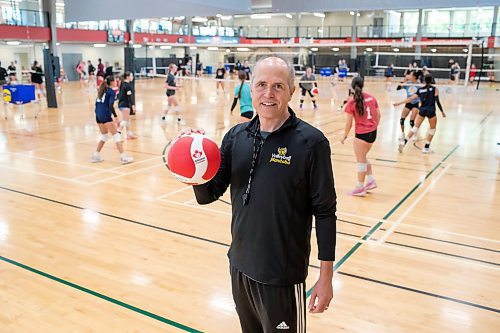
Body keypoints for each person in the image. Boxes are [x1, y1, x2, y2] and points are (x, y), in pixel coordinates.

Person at [186, 57, 336, 333]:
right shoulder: (235, 137)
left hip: (282, 276)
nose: (269, 94)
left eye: (278, 86)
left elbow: (325, 213)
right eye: (262, 85)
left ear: (291, 90)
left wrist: (326, 277)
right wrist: (196, 163)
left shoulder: (311, 143)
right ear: (251, 89)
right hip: (240, 266)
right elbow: (208, 194)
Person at [341, 76, 381, 196]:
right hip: (373, 133)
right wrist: (373, 127)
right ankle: (371, 181)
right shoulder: (371, 98)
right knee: (363, 157)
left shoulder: (352, 102)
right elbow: (378, 115)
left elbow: (349, 123)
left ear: (352, 87)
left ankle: (360, 187)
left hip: (362, 134)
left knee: (361, 161)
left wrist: (344, 136)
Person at [394, 74, 446, 154]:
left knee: (415, 127)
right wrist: (442, 111)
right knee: (432, 129)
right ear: (432, 80)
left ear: (424, 81)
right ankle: (426, 148)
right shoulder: (435, 89)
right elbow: (437, 101)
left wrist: (398, 103)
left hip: (422, 110)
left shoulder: (420, 90)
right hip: (431, 111)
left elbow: (410, 99)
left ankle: (404, 142)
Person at [91, 75, 133, 164]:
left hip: (98, 115)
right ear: (111, 82)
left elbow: (97, 105)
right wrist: (116, 117)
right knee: (116, 135)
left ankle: (95, 155)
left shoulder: (101, 91)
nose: (116, 82)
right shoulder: (111, 92)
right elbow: (110, 105)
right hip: (105, 115)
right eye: (115, 80)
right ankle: (123, 157)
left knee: (105, 136)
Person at [396, 71, 420, 142]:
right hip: (408, 103)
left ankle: (414, 134)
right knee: (402, 119)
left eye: (411, 75)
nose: (409, 76)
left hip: (416, 103)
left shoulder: (419, 85)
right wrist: (404, 80)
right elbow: (398, 88)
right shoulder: (407, 83)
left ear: (414, 77)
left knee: (411, 121)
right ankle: (402, 134)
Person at [117, 72, 137, 139]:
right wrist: (133, 106)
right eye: (131, 76)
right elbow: (129, 97)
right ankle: (118, 133)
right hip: (125, 105)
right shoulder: (127, 86)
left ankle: (129, 134)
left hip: (121, 104)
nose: (132, 77)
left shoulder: (122, 84)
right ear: (127, 77)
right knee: (125, 120)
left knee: (127, 120)